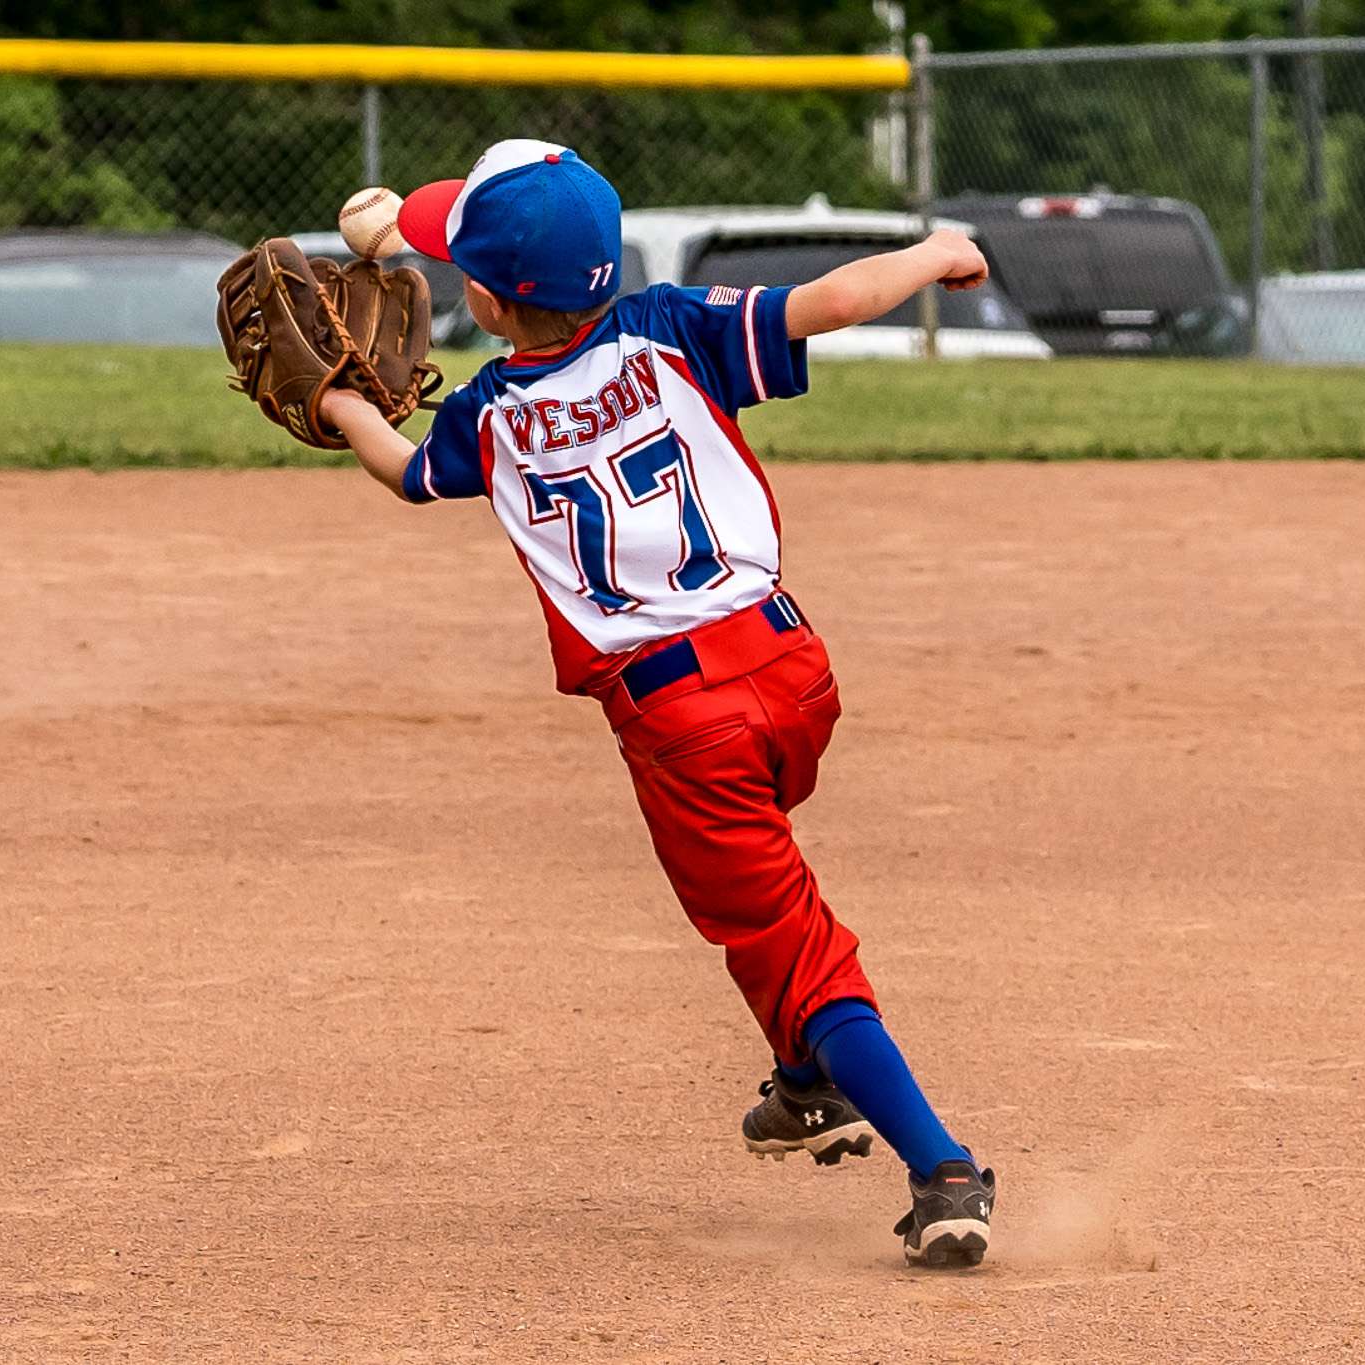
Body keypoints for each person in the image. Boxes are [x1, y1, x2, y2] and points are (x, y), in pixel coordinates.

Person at [318, 140, 997, 1267]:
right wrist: (934, 250)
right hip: (792, 672)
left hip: (682, 726)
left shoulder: (484, 416)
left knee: (799, 954)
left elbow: (401, 470)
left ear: (482, 300)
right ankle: (801, 1079)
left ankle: (942, 1171)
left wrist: (342, 401)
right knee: (774, 919)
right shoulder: (670, 328)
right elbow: (829, 300)